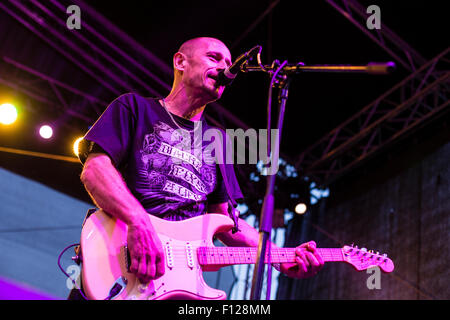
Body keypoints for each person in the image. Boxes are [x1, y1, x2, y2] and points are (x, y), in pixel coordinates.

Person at [70, 37, 323, 299]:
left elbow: (225, 221)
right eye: (214, 58)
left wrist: (280, 256)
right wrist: (139, 222)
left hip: (177, 284)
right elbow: (95, 170)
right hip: (121, 262)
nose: (225, 67)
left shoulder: (218, 140)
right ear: (180, 61)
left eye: (228, 62)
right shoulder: (134, 107)